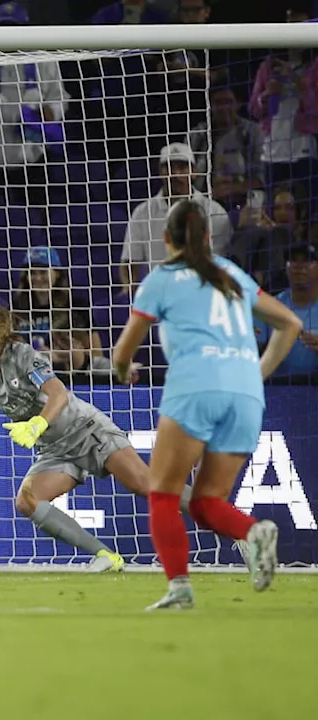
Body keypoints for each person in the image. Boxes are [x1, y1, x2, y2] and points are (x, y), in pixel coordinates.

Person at [113, 200, 302, 610]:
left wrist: (123, 368)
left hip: (195, 386)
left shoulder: (162, 278)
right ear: (207, 237)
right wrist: (258, 370)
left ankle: (179, 589)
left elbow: (123, 349)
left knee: (162, 492)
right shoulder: (230, 273)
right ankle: (253, 532)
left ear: (166, 239)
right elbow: (291, 323)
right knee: (205, 502)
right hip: (246, 394)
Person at [0, 302, 190, 572]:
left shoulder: (21, 354)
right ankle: (105, 556)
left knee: (146, 485)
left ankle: (231, 525)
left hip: (85, 429)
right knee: (27, 500)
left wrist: (36, 425)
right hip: (54, 449)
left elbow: (58, 394)